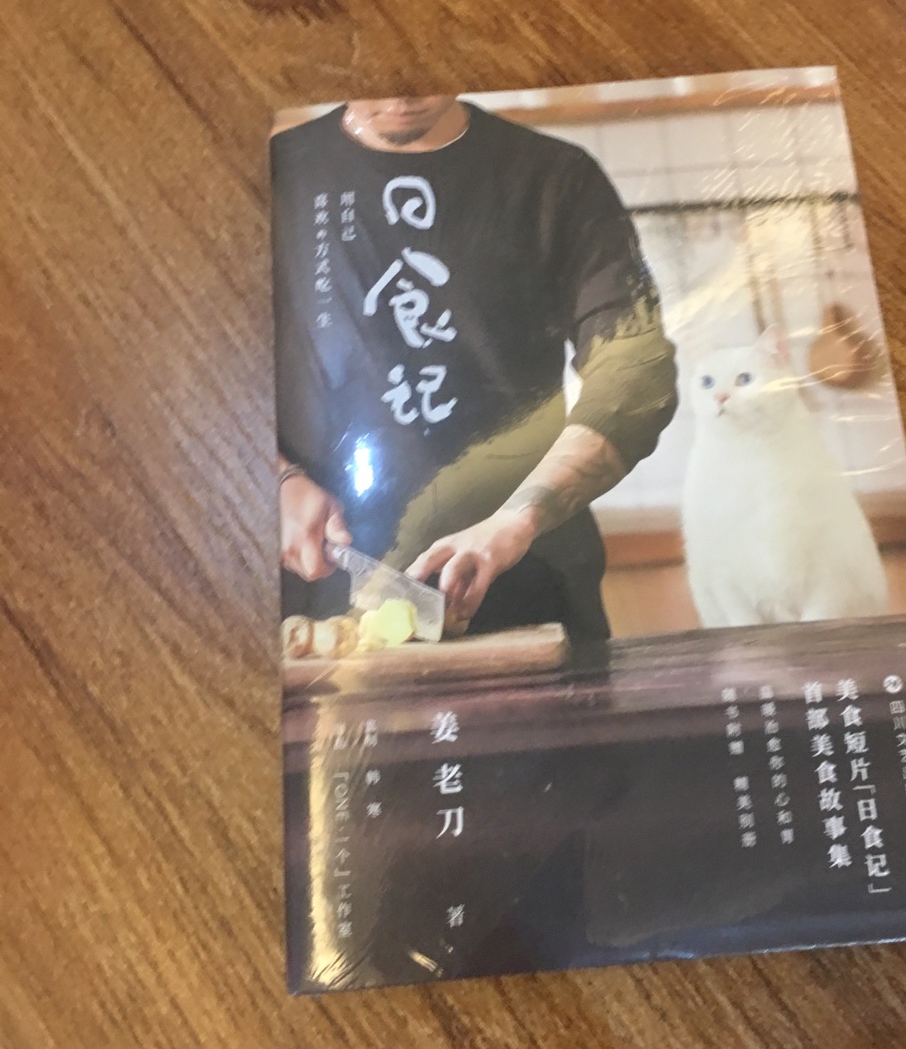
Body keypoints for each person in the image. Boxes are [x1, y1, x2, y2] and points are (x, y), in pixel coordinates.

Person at [272, 94, 677, 643]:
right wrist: (275, 480)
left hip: (530, 586)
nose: (400, 94)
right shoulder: (272, 175)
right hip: (319, 601)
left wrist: (518, 519)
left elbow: (635, 372)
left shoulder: (554, 177)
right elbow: (192, 379)